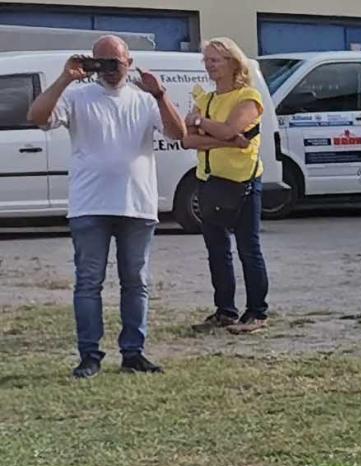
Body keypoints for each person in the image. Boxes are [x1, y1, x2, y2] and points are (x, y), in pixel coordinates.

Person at [30, 37, 185, 378]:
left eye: (116, 62)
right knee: (89, 283)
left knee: (136, 282)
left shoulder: (144, 100)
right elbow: (37, 117)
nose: (110, 69)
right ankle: (90, 356)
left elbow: (178, 134)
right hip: (90, 205)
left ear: (130, 62)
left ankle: (133, 353)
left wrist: (161, 94)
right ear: (91, 63)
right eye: (102, 62)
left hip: (137, 204)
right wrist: (65, 78)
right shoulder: (77, 96)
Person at [180, 37, 271, 333]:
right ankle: (225, 310)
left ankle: (257, 312)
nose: (209, 66)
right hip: (209, 181)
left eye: (215, 60)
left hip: (242, 182)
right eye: (206, 60)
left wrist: (202, 123)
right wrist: (226, 140)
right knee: (217, 250)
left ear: (233, 63)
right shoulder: (205, 100)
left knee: (248, 248)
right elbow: (187, 139)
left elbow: (231, 128)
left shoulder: (249, 97)